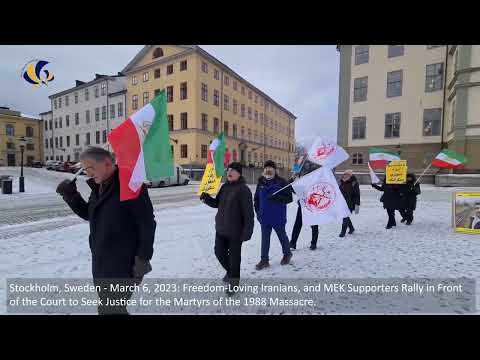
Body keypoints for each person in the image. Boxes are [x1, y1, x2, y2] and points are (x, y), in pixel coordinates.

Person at [56, 147, 156, 315]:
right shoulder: (100, 186)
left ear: (108, 163)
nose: (88, 174)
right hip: (102, 263)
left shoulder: (131, 185)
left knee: (110, 309)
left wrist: (143, 259)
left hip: (123, 265)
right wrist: (71, 195)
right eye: (85, 170)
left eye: (91, 168)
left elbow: (147, 224)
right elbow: (91, 214)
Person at [200, 162, 254, 295]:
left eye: (233, 170)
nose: (229, 172)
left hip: (236, 231)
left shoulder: (244, 190)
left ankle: (234, 283)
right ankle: (230, 272)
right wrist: (206, 198)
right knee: (219, 252)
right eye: (228, 169)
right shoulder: (224, 187)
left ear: (239, 173)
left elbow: (249, 214)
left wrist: (248, 231)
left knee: (235, 258)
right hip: (221, 229)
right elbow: (216, 203)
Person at [254, 160, 293, 270]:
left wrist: (276, 197)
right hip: (264, 217)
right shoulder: (261, 182)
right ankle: (264, 260)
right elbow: (256, 199)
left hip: (278, 217)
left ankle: (287, 254)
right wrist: (257, 211)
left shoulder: (282, 182)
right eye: (266, 168)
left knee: (282, 237)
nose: (268, 170)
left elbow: (289, 198)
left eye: (271, 168)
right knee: (264, 239)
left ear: (275, 170)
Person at [289, 160, 321, 250]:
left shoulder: (314, 169)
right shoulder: (300, 164)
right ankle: (292, 243)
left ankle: (313, 243)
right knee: (298, 224)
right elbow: (293, 188)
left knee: (314, 224)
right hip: (302, 204)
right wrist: (292, 179)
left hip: (312, 205)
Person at [339, 170, 360, 237]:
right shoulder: (342, 182)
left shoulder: (354, 183)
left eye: (347, 174)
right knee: (345, 216)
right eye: (344, 174)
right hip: (342, 203)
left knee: (345, 217)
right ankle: (351, 228)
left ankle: (343, 232)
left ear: (350, 175)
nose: (345, 175)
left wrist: (357, 204)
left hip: (350, 203)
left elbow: (357, 194)